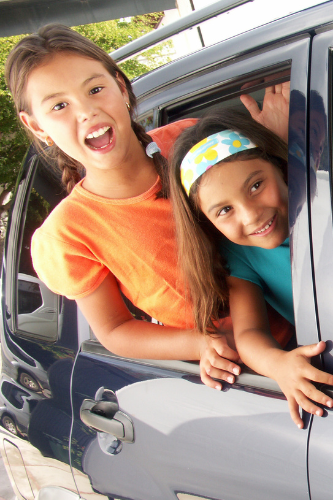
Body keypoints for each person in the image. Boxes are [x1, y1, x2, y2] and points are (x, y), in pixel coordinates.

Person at [5, 25, 285, 394]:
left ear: (121, 87)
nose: (87, 111)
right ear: (36, 126)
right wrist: (197, 343)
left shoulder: (190, 145)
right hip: (250, 372)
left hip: (321, 310)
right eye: (59, 106)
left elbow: (272, 196)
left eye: (94, 89)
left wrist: (282, 143)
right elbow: (114, 331)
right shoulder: (67, 234)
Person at [168, 109, 333, 428]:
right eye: (225, 210)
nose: (251, 215)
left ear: (279, 165)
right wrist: (279, 365)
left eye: (256, 185)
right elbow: (249, 333)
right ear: (206, 222)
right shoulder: (239, 254)